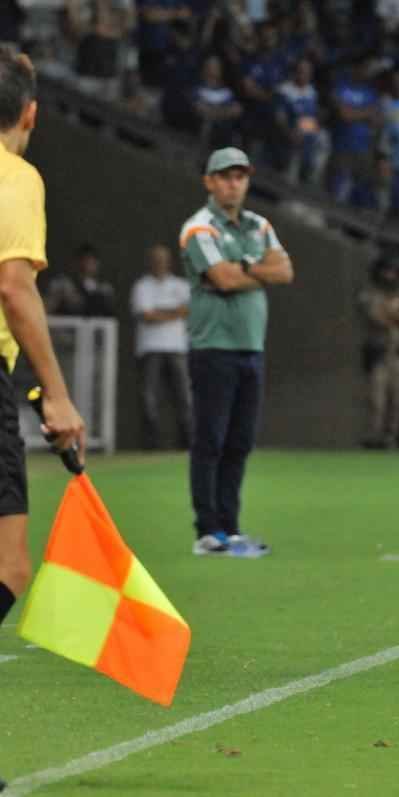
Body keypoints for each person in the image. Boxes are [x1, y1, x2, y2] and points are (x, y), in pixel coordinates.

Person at [0, 51, 88, 773]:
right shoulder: (16, 176)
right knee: (8, 567)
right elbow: (13, 285)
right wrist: (56, 392)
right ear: (30, 113)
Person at [180, 147, 293, 557]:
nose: (233, 184)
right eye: (225, 176)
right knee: (210, 440)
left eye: (240, 176)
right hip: (213, 347)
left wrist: (242, 267)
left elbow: (285, 271)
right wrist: (256, 270)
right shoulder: (199, 228)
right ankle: (207, 531)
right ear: (209, 182)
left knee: (239, 442)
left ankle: (229, 527)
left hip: (250, 346)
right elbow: (222, 279)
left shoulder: (259, 225)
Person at [130, 243, 191, 450]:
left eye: (163, 259)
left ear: (169, 261)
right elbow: (146, 316)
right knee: (149, 397)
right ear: (150, 262)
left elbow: (188, 310)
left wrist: (158, 313)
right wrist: (174, 312)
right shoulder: (141, 286)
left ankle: (186, 443)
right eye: (156, 259)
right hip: (150, 348)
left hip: (177, 348)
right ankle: (151, 445)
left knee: (184, 396)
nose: (159, 263)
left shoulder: (181, 285)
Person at [359, 255, 399, 449]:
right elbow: (376, 317)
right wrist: (395, 314)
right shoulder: (370, 293)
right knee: (377, 399)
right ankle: (373, 436)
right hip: (379, 353)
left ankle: (391, 438)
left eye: (393, 272)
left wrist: (392, 313)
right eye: (386, 271)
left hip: (398, 354)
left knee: (397, 399)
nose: (390, 275)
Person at [43, 243, 117, 317]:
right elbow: (46, 309)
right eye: (84, 260)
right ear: (75, 262)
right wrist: (60, 296)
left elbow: (110, 315)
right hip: (65, 322)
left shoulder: (105, 289)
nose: (87, 265)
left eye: (91, 261)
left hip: (94, 323)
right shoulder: (62, 284)